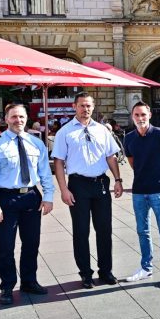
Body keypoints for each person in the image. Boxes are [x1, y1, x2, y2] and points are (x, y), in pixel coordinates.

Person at [0, 103, 54, 305]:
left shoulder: (36, 143)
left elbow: (45, 173)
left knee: (31, 243)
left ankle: (29, 281)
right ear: (6, 119)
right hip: (7, 199)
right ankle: (6, 286)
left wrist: (48, 196)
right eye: (14, 117)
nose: (18, 121)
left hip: (31, 197)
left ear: (26, 119)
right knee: (6, 246)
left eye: (21, 117)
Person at [52, 92, 123, 289]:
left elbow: (111, 156)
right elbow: (58, 162)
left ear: (93, 107)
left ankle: (106, 270)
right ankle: (85, 273)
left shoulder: (102, 130)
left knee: (104, 230)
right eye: (82, 105)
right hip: (78, 185)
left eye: (89, 106)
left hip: (100, 184)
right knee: (81, 231)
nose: (86, 109)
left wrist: (117, 179)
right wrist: (64, 189)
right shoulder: (64, 132)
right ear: (75, 106)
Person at [123, 102, 160, 288]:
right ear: (133, 117)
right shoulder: (129, 138)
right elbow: (132, 162)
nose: (140, 118)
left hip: (159, 191)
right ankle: (146, 268)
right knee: (143, 231)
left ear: (149, 115)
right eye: (137, 115)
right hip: (139, 191)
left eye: (143, 115)